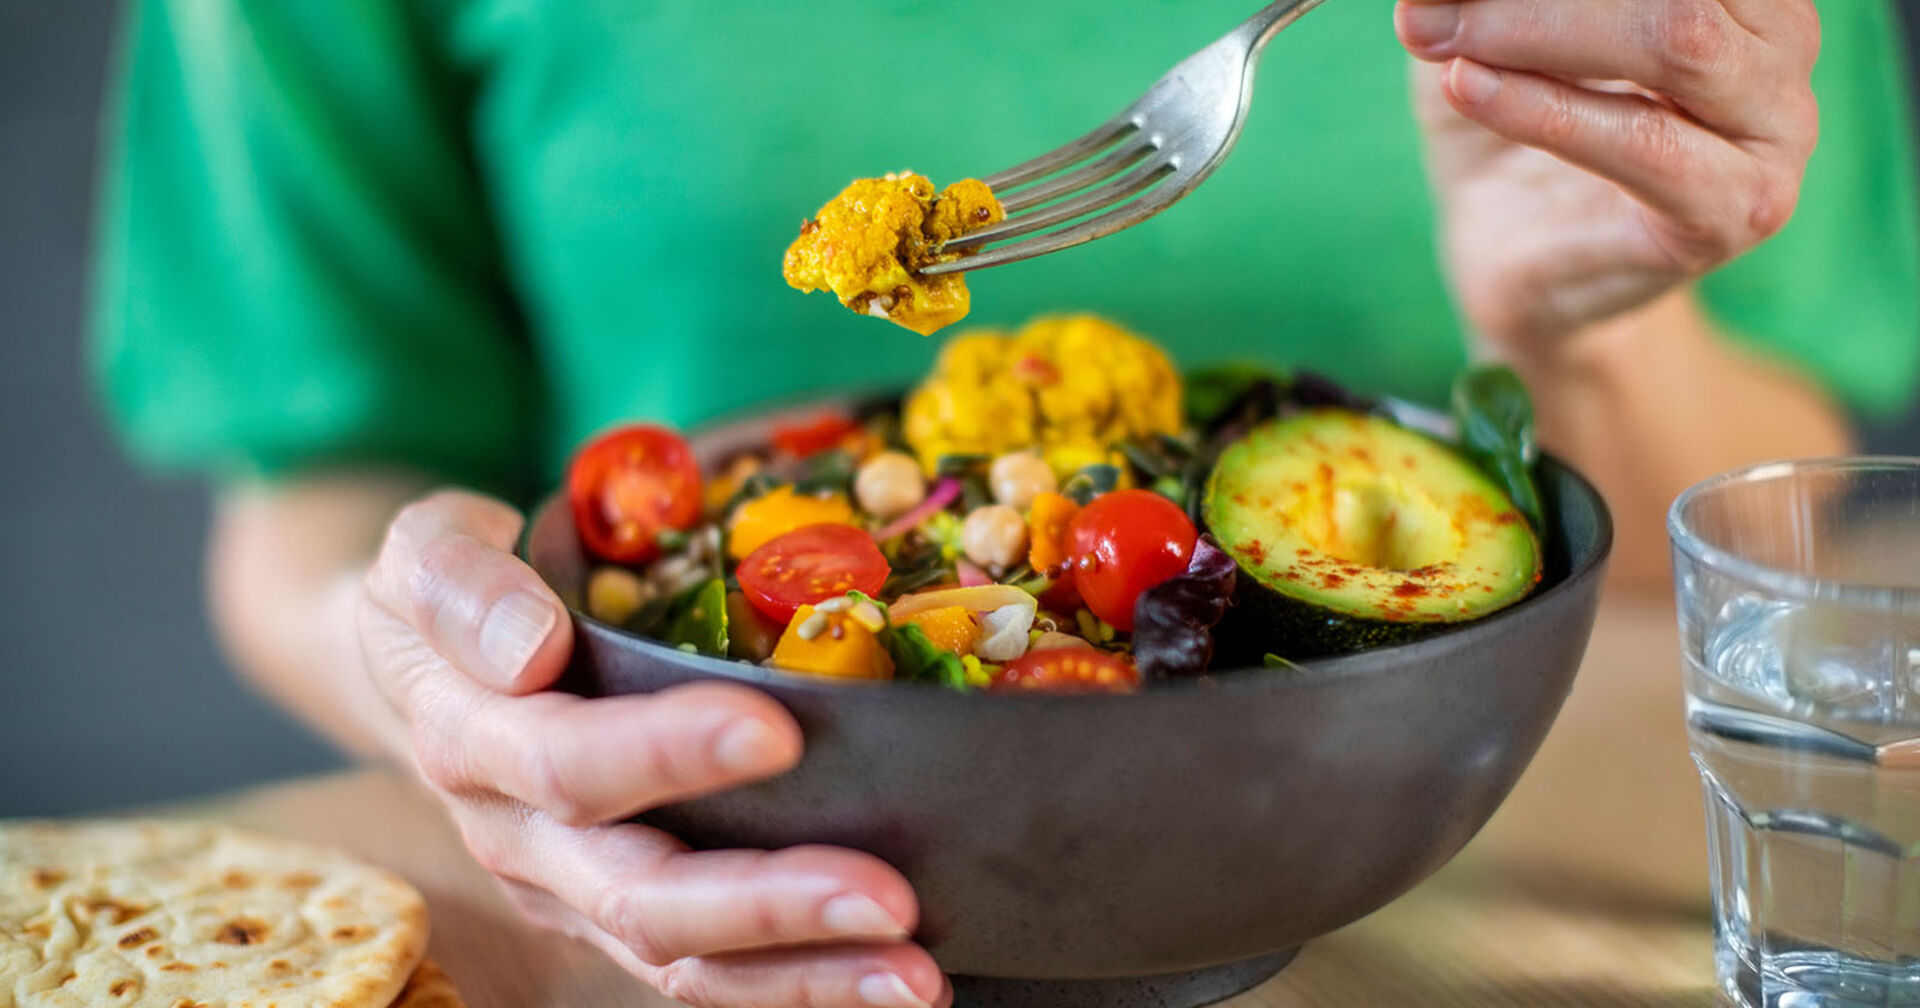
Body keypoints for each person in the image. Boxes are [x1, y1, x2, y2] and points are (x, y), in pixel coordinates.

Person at [92, 1, 1916, 1006]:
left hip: (1447, 906)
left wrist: (1583, 317)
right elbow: (311, 519)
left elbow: (1751, 525)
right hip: (672, 922)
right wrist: (453, 677)